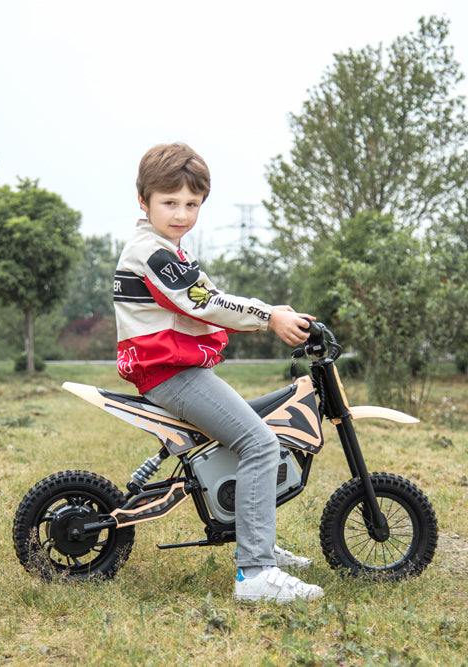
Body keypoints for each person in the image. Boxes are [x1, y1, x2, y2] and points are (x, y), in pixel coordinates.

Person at [112, 142, 324, 603]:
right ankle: (255, 573)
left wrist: (272, 310)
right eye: (170, 202)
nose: (181, 214)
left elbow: (207, 294)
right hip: (171, 375)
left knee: (252, 434)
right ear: (143, 200)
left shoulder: (166, 250)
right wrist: (268, 318)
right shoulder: (154, 254)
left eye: (192, 204)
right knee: (260, 443)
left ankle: (256, 539)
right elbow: (206, 301)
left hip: (174, 371)